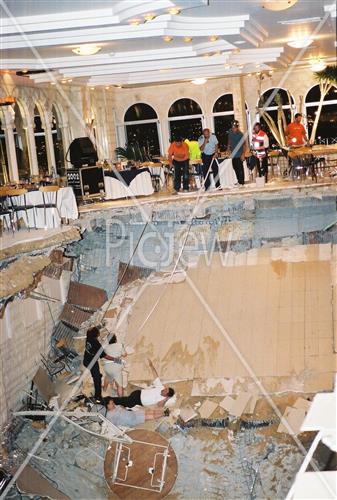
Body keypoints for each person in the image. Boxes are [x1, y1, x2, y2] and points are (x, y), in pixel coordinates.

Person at [83, 327, 115, 402]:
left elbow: (89, 330)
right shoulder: (96, 344)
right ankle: (98, 396)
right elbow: (105, 356)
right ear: (96, 335)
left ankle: (96, 375)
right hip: (92, 362)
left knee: (97, 373)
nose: (99, 334)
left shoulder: (88, 336)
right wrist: (116, 360)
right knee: (97, 379)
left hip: (86, 359)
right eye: (98, 333)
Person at [98, 398, 166, 428]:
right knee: (150, 416)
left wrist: (122, 408)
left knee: (148, 412)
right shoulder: (109, 416)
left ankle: (164, 412)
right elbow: (114, 426)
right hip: (131, 421)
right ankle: (164, 414)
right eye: (111, 403)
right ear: (107, 406)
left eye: (113, 402)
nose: (113, 404)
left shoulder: (114, 407)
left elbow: (120, 407)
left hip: (131, 414)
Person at [227, 120, 246, 186]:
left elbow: (244, 145)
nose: (233, 129)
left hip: (239, 154)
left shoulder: (240, 134)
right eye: (232, 127)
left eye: (234, 127)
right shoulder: (230, 132)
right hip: (233, 154)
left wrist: (243, 154)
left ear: (237, 127)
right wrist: (228, 149)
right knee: (235, 167)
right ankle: (239, 181)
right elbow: (229, 140)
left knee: (240, 168)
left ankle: (242, 182)